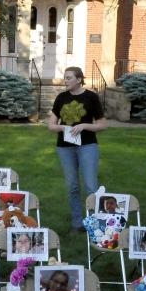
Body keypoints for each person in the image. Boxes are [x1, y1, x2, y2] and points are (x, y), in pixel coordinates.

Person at [47, 66, 108, 233]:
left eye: (68, 78)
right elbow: (51, 125)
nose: (65, 81)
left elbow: (103, 124)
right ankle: (77, 223)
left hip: (88, 146)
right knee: (72, 186)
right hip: (65, 148)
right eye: (65, 77)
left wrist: (84, 126)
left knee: (90, 186)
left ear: (79, 79)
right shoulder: (61, 98)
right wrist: (63, 128)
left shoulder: (91, 97)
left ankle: (96, 225)